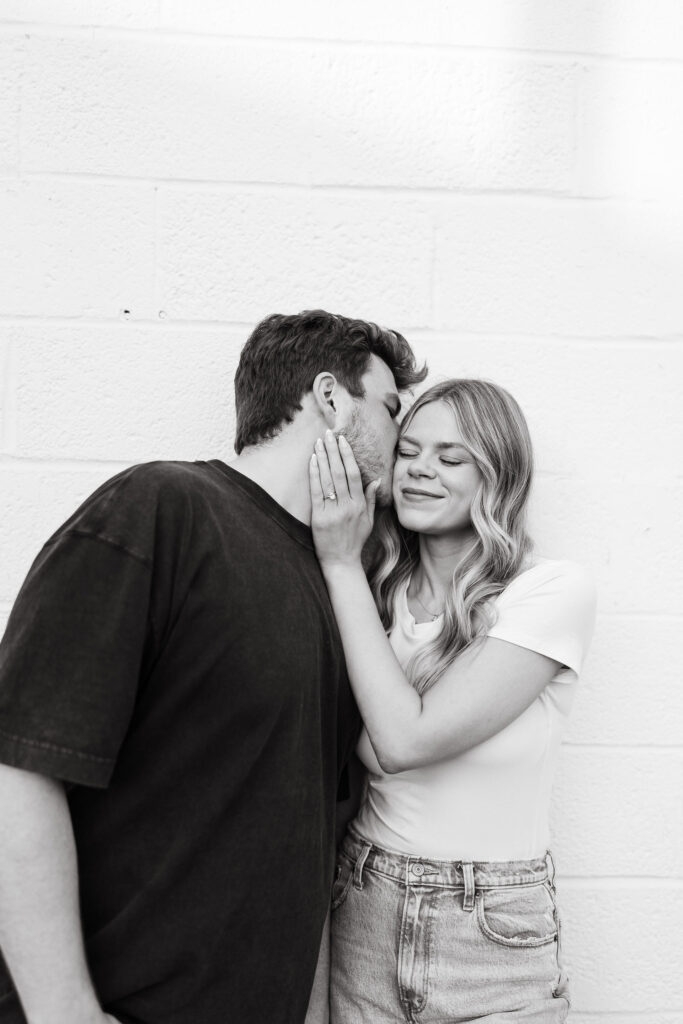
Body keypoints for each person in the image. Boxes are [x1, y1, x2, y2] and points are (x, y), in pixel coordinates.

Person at [0, 310, 426, 1024]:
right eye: (389, 409)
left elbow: (309, 836)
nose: (402, 438)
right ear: (329, 398)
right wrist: (63, 1010)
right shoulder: (163, 509)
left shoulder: (338, 580)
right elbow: (19, 764)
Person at [309, 378, 597, 1023]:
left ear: (497, 475)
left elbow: (405, 741)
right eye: (408, 450)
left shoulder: (549, 593)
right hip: (365, 903)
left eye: (450, 456)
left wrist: (339, 565)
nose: (419, 470)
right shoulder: (376, 592)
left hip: (489, 929)